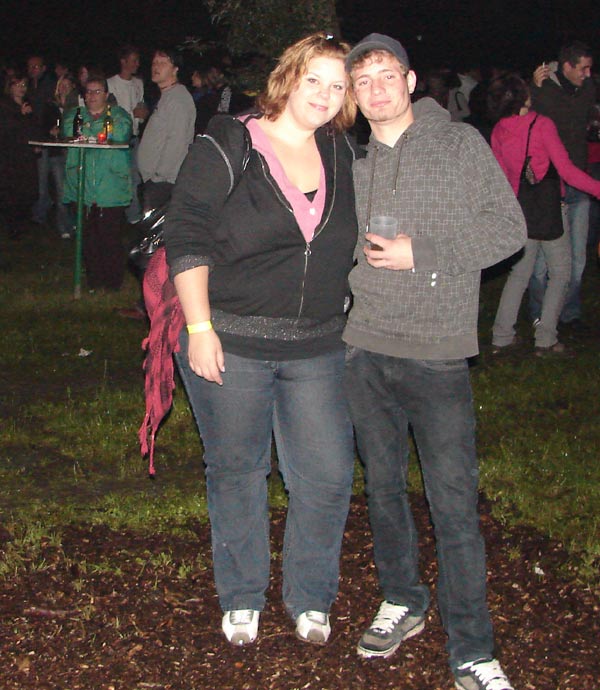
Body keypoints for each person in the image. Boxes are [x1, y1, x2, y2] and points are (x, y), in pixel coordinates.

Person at [158, 33, 358, 647]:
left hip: (318, 344)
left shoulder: (340, 150)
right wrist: (199, 328)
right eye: (314, 79)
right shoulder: (230, 140)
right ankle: (242, 595)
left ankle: (310, 595)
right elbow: (186, 232)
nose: (325, 94)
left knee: (326, 476)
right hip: (231, 338)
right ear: (288, 77)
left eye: (338, 85)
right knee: (238, 471)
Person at [342, 34, 525, 690]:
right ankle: (402, 599)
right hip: (365, 349)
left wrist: (423, 253)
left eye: (386, 76)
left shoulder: (458, 144)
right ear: (354, 96)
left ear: (411, 80)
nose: (376, 90)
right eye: (363, 82)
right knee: (384, 489)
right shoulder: (355, 162)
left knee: (452, 503)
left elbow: (507, 229)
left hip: (438, 353)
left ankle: (472, 648)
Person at [489, 75, 600, 357]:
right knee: (560, 272)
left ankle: (502, 336)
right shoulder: (541, 124)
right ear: (524, 97)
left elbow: (501, 179)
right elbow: (567, 171)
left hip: (519, 211)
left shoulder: (499, 130)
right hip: (549, 209)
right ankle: (546, 339)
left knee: (519, 274)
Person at [529, 41, 595, 329]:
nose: (588, 74)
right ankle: (539, 314)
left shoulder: (587, 87)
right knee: (543, 260)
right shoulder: (542, 88)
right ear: (567, 66)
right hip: (550, 185)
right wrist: (534, 89)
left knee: (578, 257)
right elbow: (522, 117)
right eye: (583, 68)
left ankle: (569, 312)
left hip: (579, 181)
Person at [62, 75, 132, 290]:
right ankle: (94, 281)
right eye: (88, 92)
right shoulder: (75, 114)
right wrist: (97, 131)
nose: (92, 96)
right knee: (88, 239)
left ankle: (112, 284)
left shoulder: (118, 114)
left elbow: (121, 132)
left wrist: (90, 130)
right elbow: (69, 130)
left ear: (106, 94)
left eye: (97, 91)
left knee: (109, 238)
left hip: (110, 188)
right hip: (81, 187)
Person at [137, 48, 195, 213]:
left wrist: (158, 177)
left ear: (175, 69)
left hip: (163, 183)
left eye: (163, 63)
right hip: (156, 181)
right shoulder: (167, 96)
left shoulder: (178, 99)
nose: (156, 66)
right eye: (154, 62)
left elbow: (177, 142)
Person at [107, 45, 149, 223]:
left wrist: (143, 114)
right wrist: (132, 114)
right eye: (134, 60)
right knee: (117, 177)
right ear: (123, 61)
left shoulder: (138, 83)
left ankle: (133, 217)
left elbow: (141, 108)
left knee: (134, 178)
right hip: (117, 140)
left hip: (134, 138)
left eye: (138, 60)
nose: (137, 64)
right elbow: (112, 113)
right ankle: (117, 213)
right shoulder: (110, 84)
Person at [0, 72, 40, 236]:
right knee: (13, 191)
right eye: (17, 85)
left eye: (24, 85)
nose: (21, 88)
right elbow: (7, 129)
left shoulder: (27, 104)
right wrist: (20, 115)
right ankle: (13, 226)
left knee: (29, 191)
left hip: (27, 154)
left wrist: (37, 142)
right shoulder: (5, 105)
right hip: (11, 156)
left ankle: (23, 222)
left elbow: (33, 126)